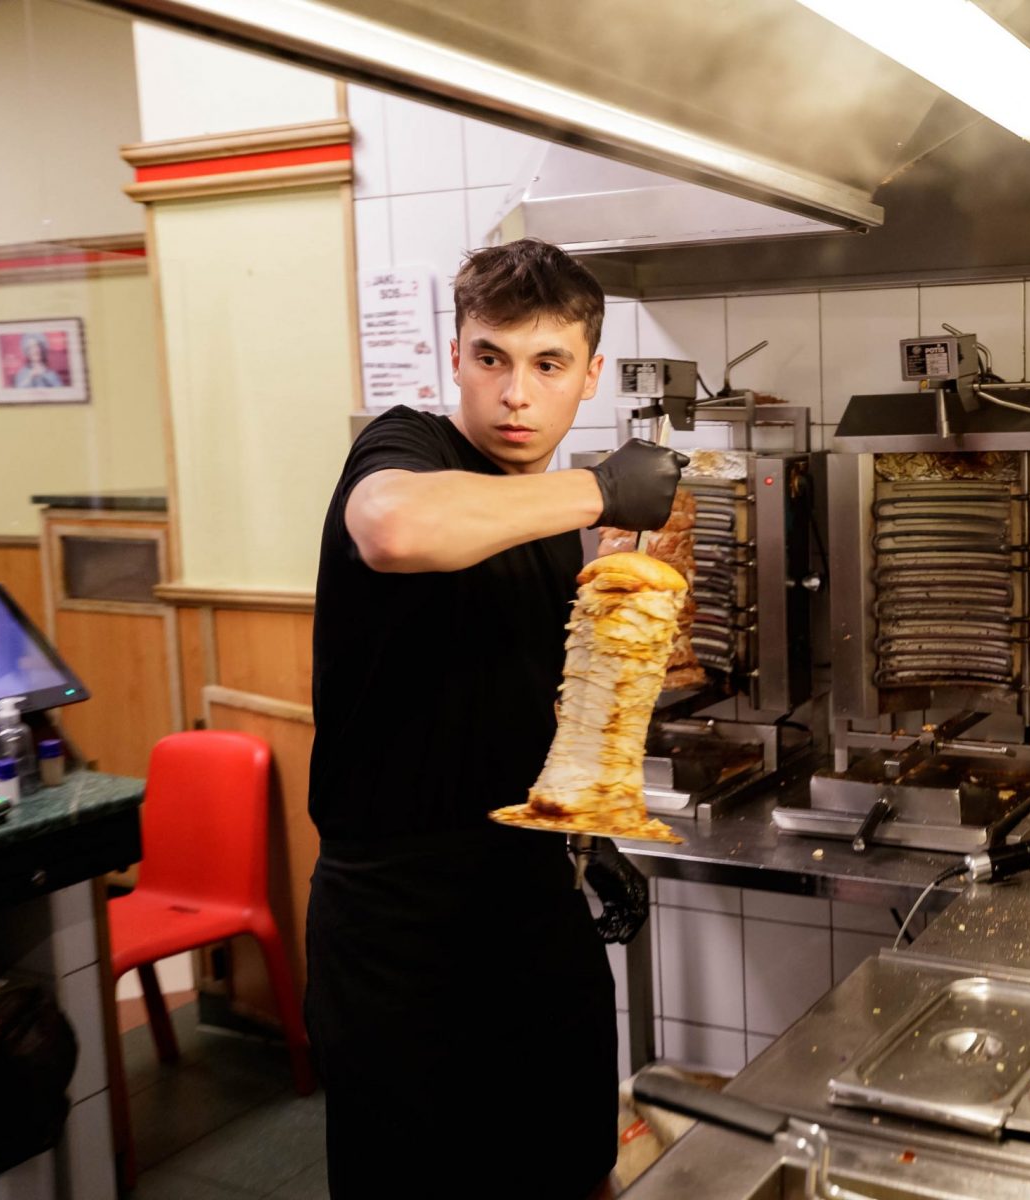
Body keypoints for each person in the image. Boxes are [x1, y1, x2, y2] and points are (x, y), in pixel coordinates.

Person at [305, 238, 686, 1198]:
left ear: (590, 375)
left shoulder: (545, 522)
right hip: (398, 927)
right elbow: (394, 528)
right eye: (492, 359)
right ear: (456, 357)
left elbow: (518, 697)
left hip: (528, 901)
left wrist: (585, 831)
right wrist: (603, 488)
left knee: (572, 1165)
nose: (516, 395)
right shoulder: (407, 449)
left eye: (549, 365)